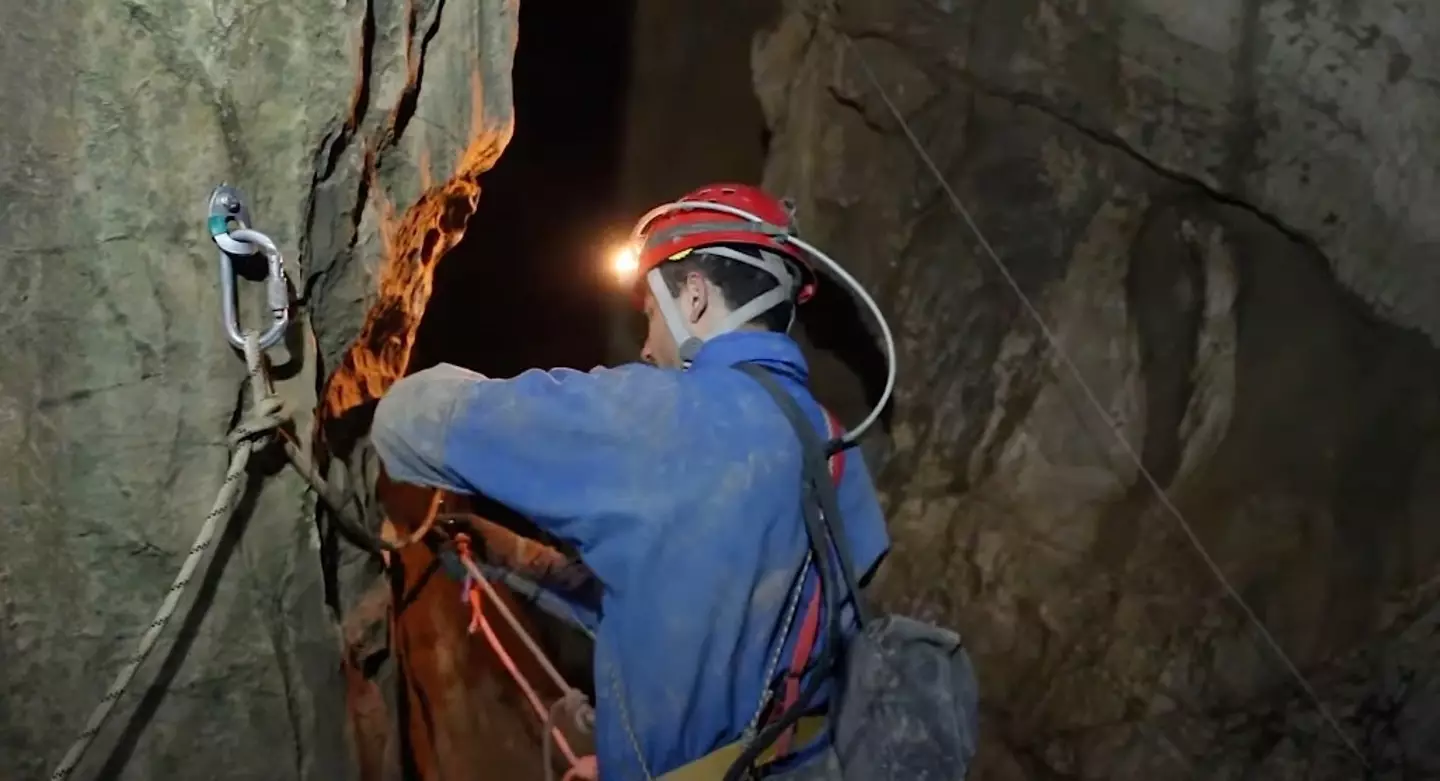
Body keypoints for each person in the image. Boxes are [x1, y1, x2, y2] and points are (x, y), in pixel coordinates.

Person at [371, 183, 891, 779]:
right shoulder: (834, 449)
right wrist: (523, 561)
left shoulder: (663, 417)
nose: (646, 348)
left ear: (693, 298)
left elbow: (407, 423)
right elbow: (703, 621)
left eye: (649, 313)